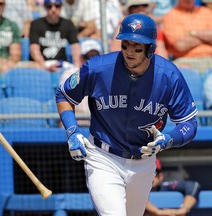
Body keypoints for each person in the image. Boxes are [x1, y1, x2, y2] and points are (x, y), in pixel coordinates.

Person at [56, 13, 198, 216]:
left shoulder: (169, 76)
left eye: (137, 47)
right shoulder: (99, 68)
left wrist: (169, 139)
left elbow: (189, 123)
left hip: (144, 161)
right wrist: (72, 131)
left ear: (150, 49)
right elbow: (64, 94)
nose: (129, 52)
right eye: (125, 45)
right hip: (103, 157)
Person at [59, 39, 102, 127]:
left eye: (95, 56)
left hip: (98, 123)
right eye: (88, 57)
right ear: (81, 57)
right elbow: (64, 102)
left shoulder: (105, 74)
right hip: (76, 122)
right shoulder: (70, 74)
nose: (92, 60)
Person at [29, 0, 81, 72]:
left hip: (61, 65)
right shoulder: (36, 24)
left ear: (61, 7)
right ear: (45, 7)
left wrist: (77, 67)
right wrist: (43, 66)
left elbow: (75, 47)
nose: (53, 9)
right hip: (42, 65)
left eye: (57, 6)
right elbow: (34, 49)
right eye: (49, 6)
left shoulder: (68, 24)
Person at [162, 0, 212, 74]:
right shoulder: (171, 15)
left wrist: (192, 33)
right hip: (185, 61)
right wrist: (205, 38)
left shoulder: (207, 12)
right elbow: (180, 46)